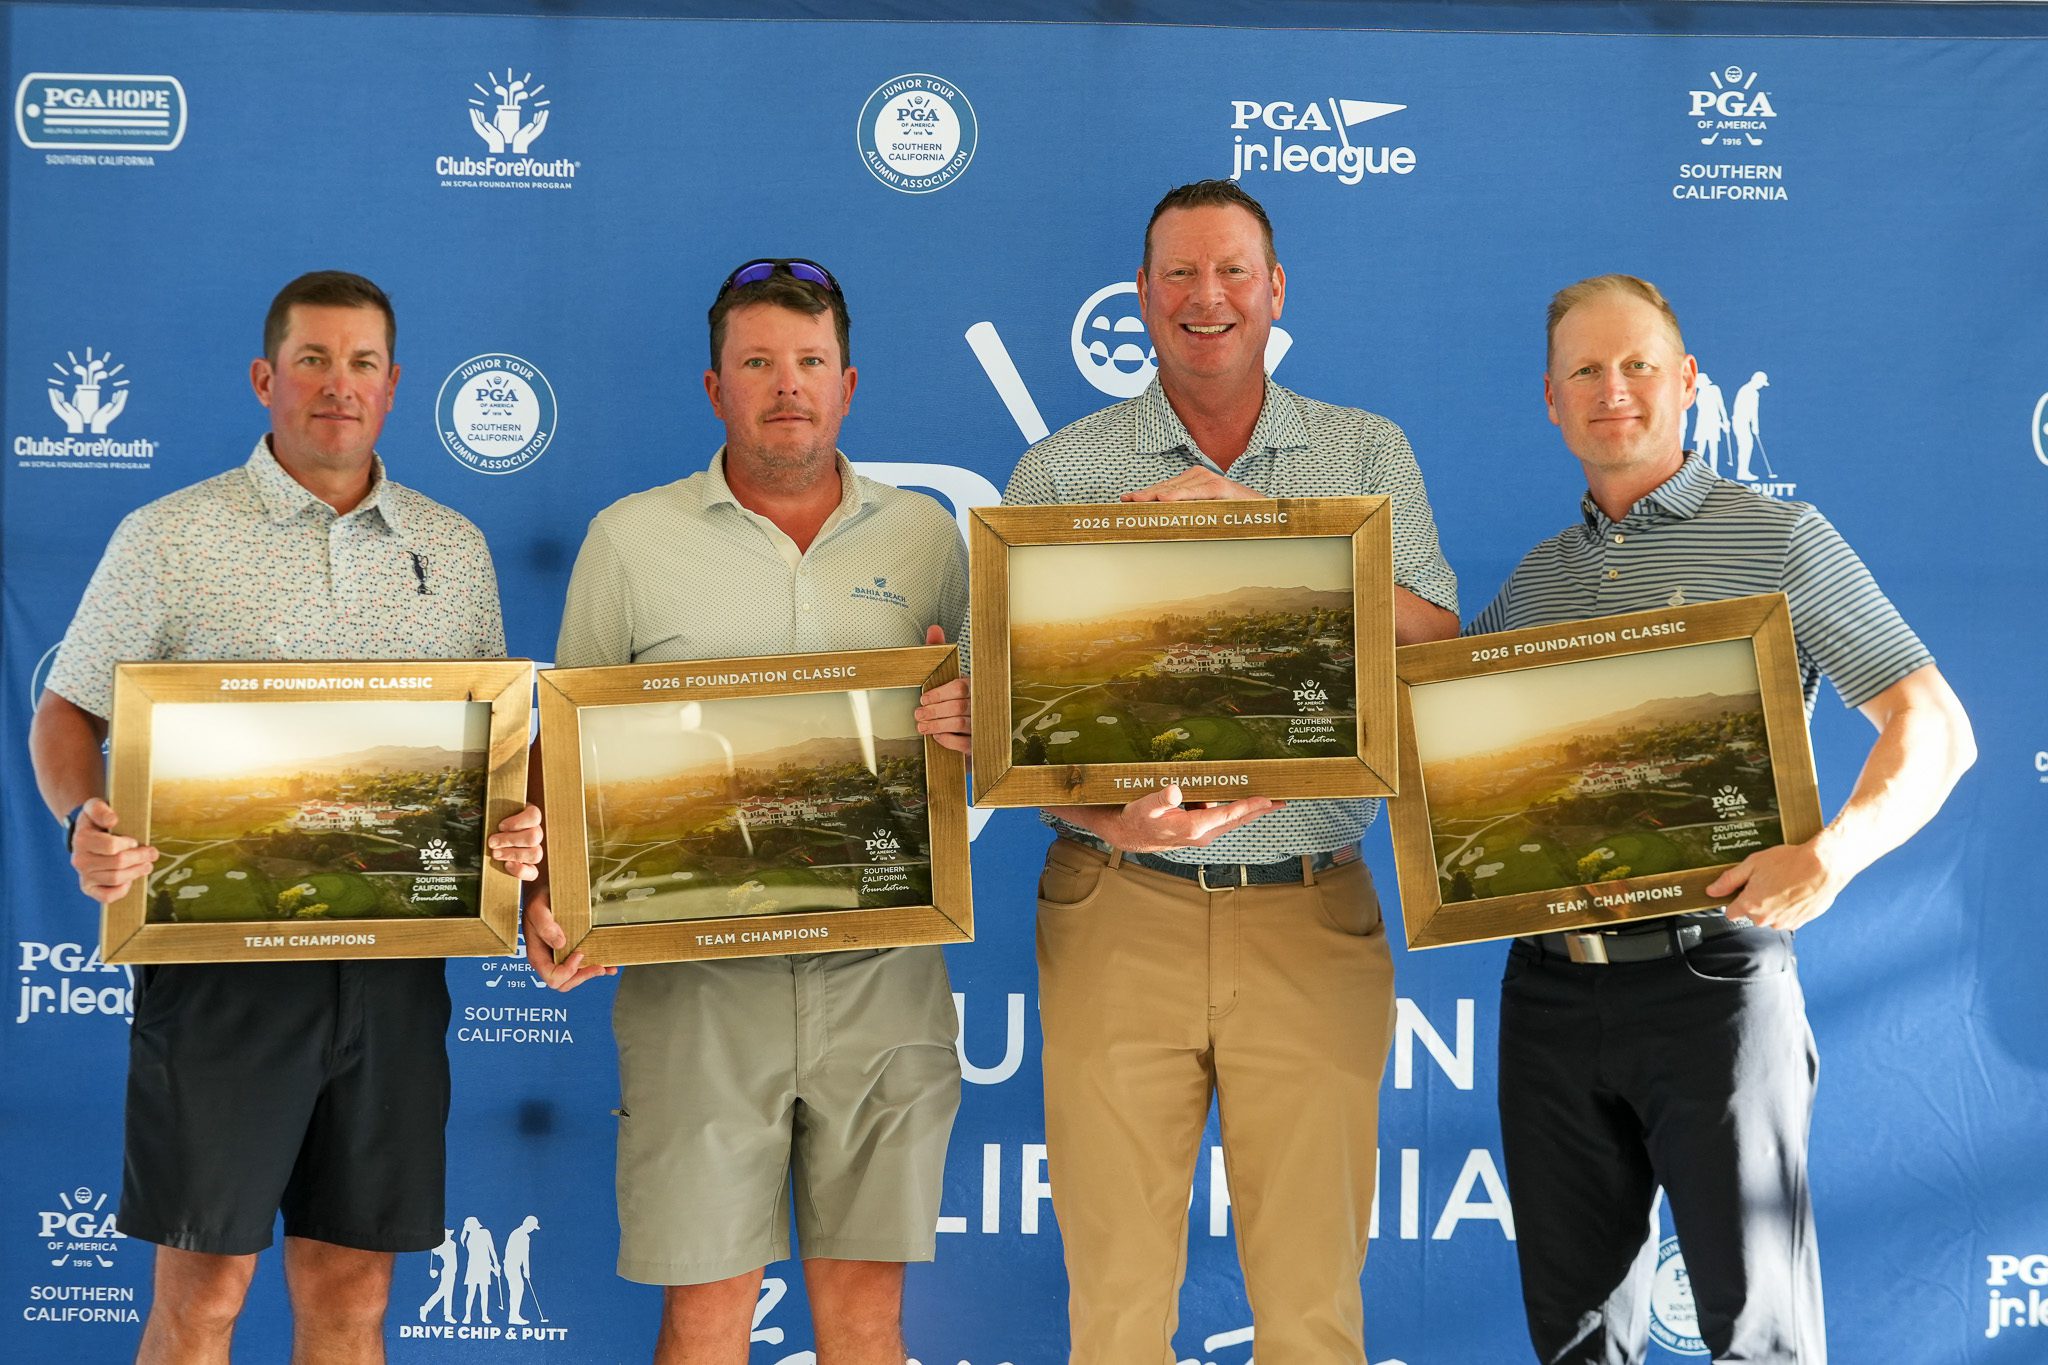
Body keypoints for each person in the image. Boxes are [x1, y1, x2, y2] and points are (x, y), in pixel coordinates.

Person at [27, 270, 544, 1365]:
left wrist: (512, 834)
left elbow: (494, 752)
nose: (337, 385)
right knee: (203, 1296)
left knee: (352, 1295)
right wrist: (84, 818)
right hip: (218, 971)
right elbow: (66, 710)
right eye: (313, 360)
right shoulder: (171, 535)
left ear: (393, 386)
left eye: (362, 364)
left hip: (396, 970)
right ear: (266, 378)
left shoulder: (452, 548)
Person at [990, 180, 1460, 1364]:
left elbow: (1430, 647)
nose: (1207, 297)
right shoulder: (1058, 471)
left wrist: (1265, 524)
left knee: (1310, 1312)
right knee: (1114, 1311)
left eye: (1232, 271)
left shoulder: (1364, 450)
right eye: (1180, 274)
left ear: (1274, 289)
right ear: (1142, 295)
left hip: (1309, 908)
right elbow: (1018, 728)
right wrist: (1112, 819)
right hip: (1116, 906)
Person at [1473, 274, 1974, 1364]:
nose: (1614, 389)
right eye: (1585, 371)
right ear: (1550, 401)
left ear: (1688, 382)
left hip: (1710, 981)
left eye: (1638, 365)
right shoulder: (1534, 585)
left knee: (1758, 1338)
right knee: (1572, 1340)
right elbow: (1450, 755)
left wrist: (1832, 855)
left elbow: (1933, 724)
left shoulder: (1779, 539)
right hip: (1547, 991)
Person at [522, 257, 972, 1365]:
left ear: (847, 385)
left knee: (866, 1321)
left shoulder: (927, 538)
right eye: (758, 362)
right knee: (705, 1314)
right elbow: (562, 743)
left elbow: (985, 729)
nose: (787, 385)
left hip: (881, 967)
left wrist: (973, 716)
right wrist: (549, 892)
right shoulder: (631, 539)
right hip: (694, 981)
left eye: (810, 362)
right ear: (714, 386)